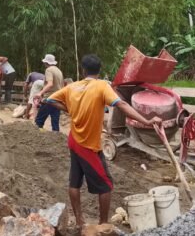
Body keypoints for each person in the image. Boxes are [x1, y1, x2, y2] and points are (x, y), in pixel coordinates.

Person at [44, 54, 162, 227]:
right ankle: (103, 225)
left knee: (74, 182)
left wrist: (70, 109)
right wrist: (146, 121)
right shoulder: (101, 86)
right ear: (99, 70)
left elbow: (50, 99)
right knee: (106, 185)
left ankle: (79, 220)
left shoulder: (72, 87)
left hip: (74, 140)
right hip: (87, 145)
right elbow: (122, 105)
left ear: (83, 70)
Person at [35, 54, 64, 131]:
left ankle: (38, 135)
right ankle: (56, 136)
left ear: (46, 63)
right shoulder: (59, 71)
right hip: (58, 99)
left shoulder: (49, 70)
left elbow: (50, 84)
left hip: (49, 98)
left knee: (39, 121)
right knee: (55, 122)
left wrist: (40, 93)